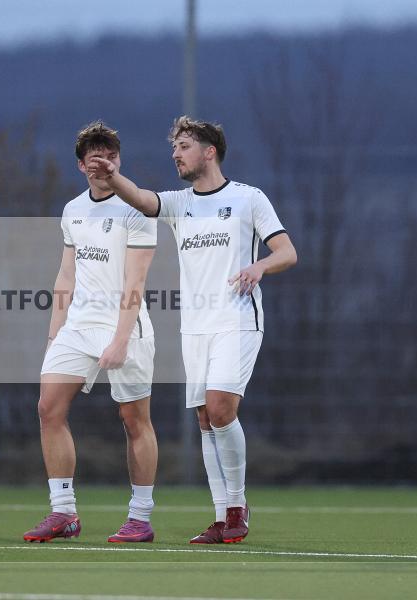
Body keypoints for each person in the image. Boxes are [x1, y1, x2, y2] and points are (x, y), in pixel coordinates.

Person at [88, 116, 297, 544]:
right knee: (205, 419)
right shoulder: (181, 203)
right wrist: (114, 176)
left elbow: (287, 251)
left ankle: (238, 506)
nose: (176, 155)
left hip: (237, 320)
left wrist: (260, 265)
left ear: (209, 152)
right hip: (195, 327)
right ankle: (222, 517)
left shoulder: (247, 199)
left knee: (221, 408)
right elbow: (145, 201)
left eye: (183, 146)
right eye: (174, 148)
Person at [23, 122, 159, 543]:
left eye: (111, 156)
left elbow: (135, 284)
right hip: (77, 326)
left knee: (134, 419)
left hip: (125, 324)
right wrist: (53, 337)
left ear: (118, 160)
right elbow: (65, 276)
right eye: (95, 157)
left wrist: (120, 339)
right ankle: (64, 513)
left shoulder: (137, 209)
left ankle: (140, 517)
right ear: (82, 165)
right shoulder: (72, 210)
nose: (104, 163)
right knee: (48, 408)